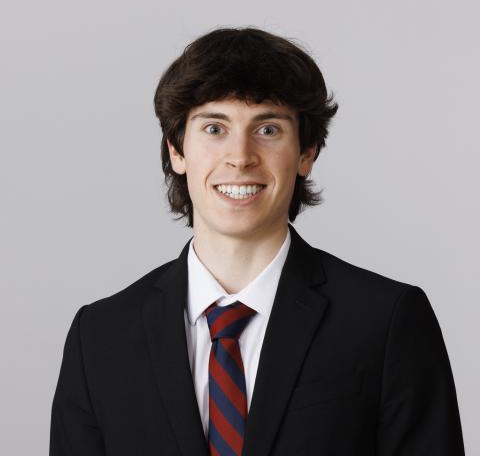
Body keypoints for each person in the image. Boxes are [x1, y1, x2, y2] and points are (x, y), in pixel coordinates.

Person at [50, 27, 465, 456]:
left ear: (307, 153)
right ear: (177, 150)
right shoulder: (100, 337)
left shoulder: (387, 322)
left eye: (268, 129)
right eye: (214, 128)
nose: (240, 156)